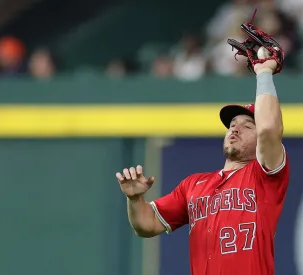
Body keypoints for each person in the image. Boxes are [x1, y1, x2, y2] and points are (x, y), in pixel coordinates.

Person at [116, 57, 290, 275]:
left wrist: (264, 73)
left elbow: (269, 129)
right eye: (232, 125)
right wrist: (134, 199)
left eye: (247, 126)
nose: (235, 129)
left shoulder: (265, 176)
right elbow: (147, 224)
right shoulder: (194, 184)